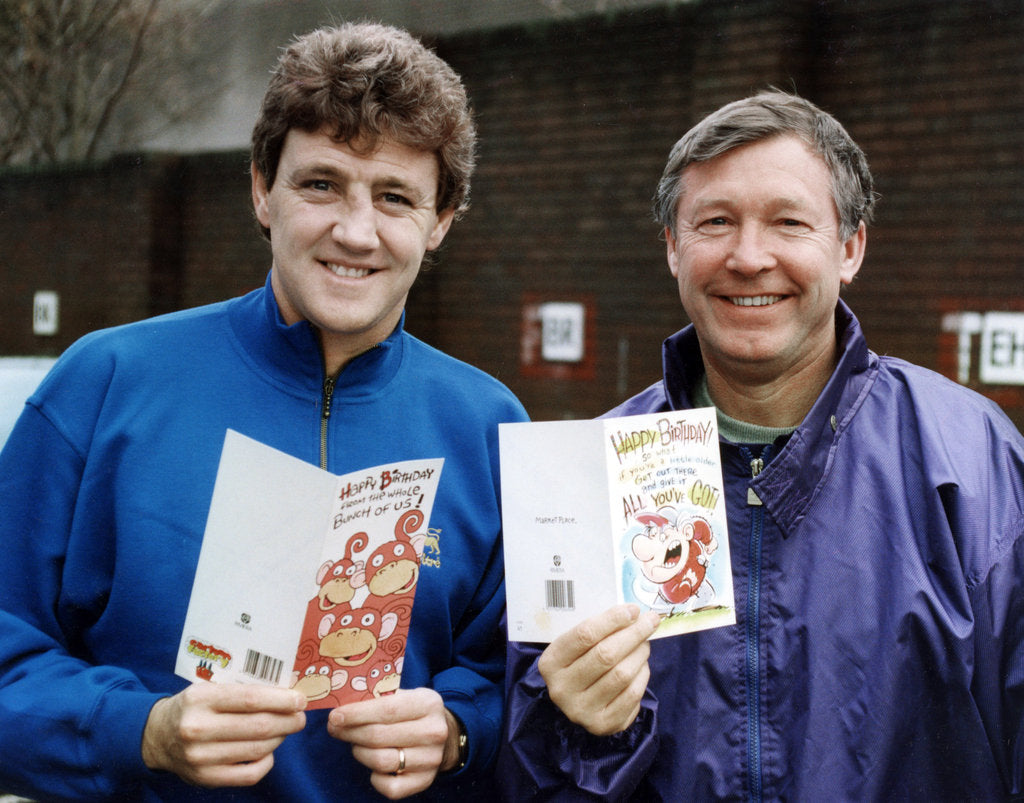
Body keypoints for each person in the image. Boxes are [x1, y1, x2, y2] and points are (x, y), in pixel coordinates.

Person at [0, 22, 528, 801]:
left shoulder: (490, 428)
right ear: (261, 189)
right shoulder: (106, 383)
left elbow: (524, 685)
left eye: (394, 197)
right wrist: (138, 730)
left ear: (441, 220)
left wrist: (459, 730)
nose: (355, 231)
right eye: (321, 184)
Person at [498, 91, 1024, 800]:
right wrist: (575, 724)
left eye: (788, 222)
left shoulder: (972, 460)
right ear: (673, 248)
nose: (749, 257)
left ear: (850, 248)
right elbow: (529, 779)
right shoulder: (584, 477)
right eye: (714, 222)